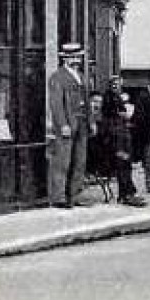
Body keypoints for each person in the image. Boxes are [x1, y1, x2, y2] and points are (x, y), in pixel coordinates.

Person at [46, 43, 94, 209]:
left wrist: (91, 121)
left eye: (78, 56)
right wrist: (62, 124)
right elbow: (56, 104)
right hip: (67, 125)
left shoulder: (81, 75)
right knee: (62, 161)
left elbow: (87, 102)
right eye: (72, 57)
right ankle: (58, 197)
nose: (76, 59)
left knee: (80, 161)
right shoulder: (57, 77)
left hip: (82, 124)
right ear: (64, 58)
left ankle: (74, 195)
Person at [101, 91, 146, 208]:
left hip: (121, 152)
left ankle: (127, 193)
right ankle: (127, 194)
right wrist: (119, 152)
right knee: (123, 162)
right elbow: (107, 140)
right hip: (109, 155)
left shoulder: (119, 121)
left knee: (126, 161)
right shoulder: (107, 120)